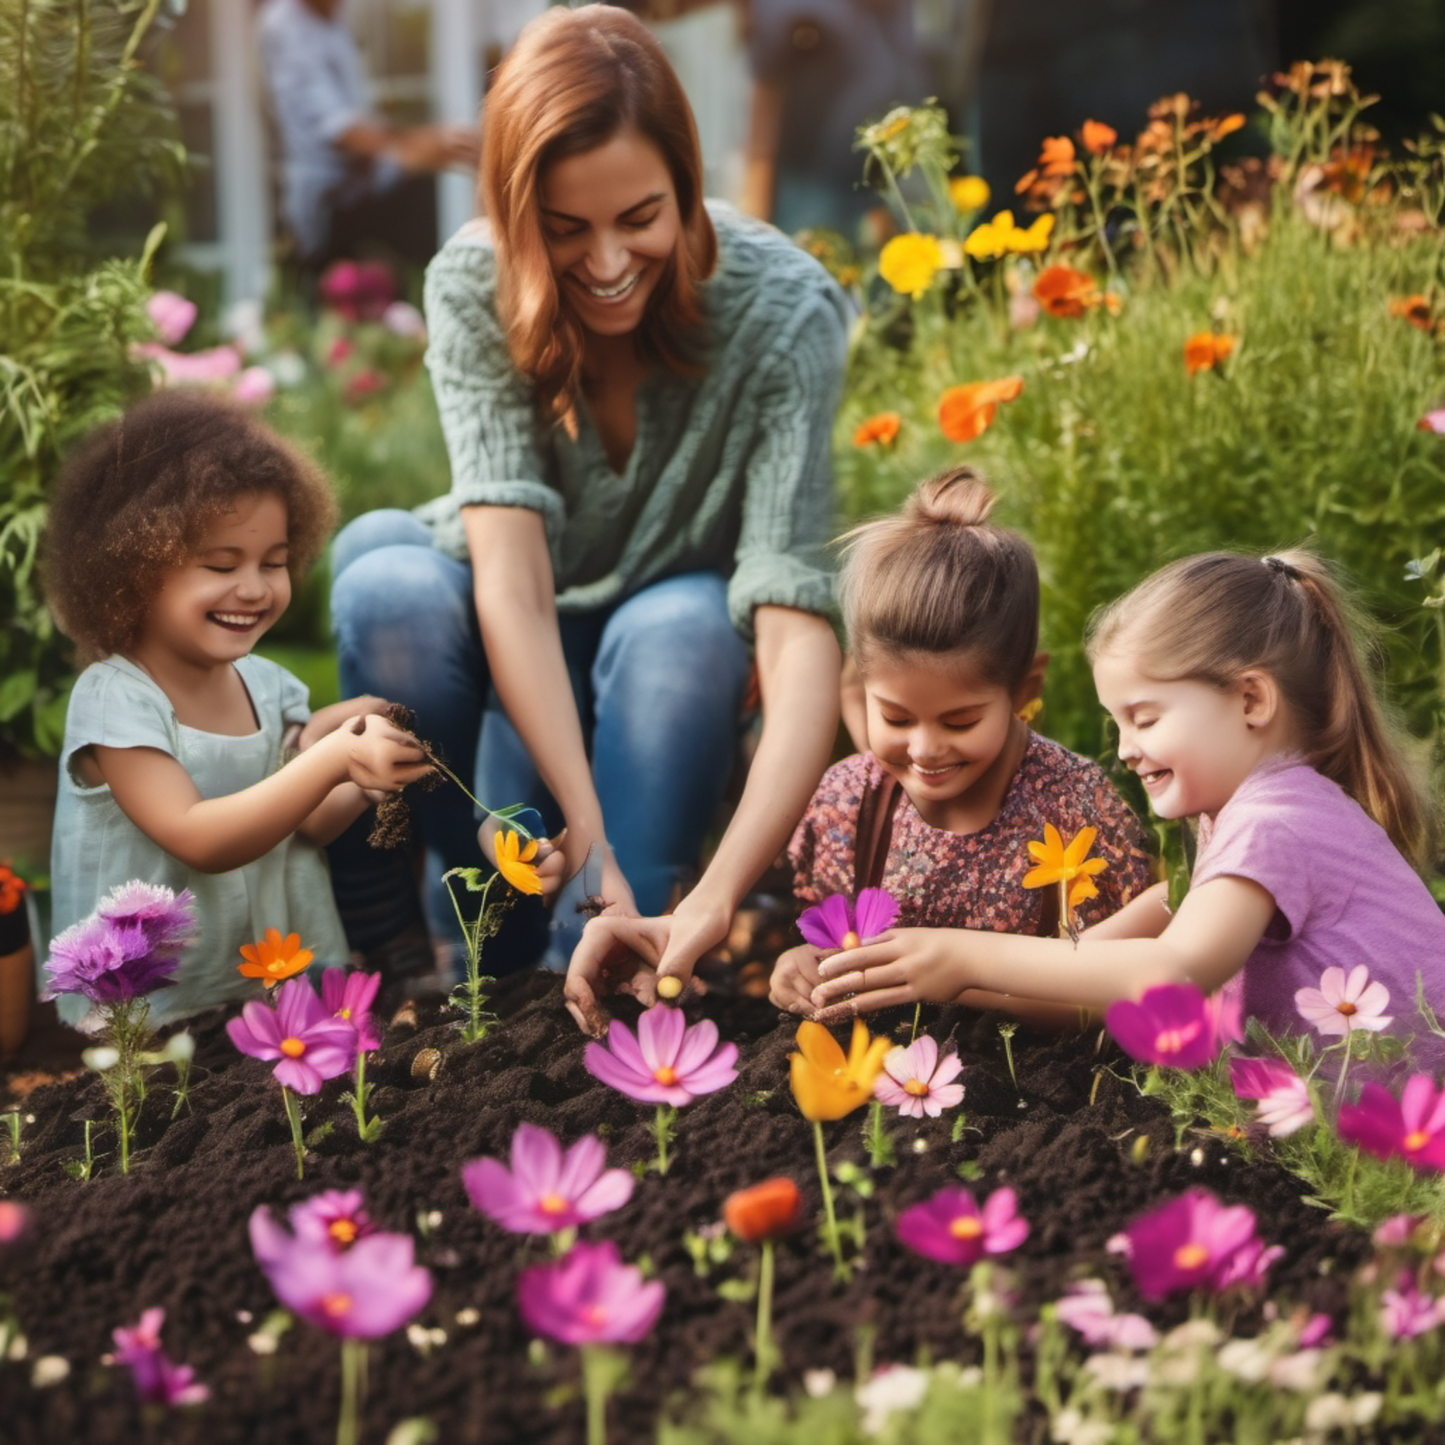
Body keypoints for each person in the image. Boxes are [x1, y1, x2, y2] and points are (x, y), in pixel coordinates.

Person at [327, 5, 849, 1030]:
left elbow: (795, 632)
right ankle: (471, 920)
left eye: (639, 217)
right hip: (516, 619)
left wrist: (714, 888)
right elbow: (511, 584)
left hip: (671, 641)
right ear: (519, 217)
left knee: (680, 629)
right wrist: (583, 827)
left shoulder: (786, 311)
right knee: (381, 579)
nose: (607, 261)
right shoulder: (474, 282)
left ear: (686, 186)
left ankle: (603, 938)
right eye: (566, 230)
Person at [809, 549, 1445, 1066]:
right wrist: (928, 975)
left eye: (1144, 719)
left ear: (1251, 699)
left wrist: (959, 957)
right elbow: (1084, 982)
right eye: (1118, 724)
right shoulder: (1244, 819)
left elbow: (1169, 973)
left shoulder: (1273, 822)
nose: (1126, 751)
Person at [42, 390, 429, 1026]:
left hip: (274, 990)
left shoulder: (269, 685)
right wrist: (329, 757)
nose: (254, 588)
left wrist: (358, 770)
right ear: (134, 567)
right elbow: (197, 835)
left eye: (273, 563)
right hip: (156, 1014)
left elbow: (305, 823)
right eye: (222, 564)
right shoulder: (117, 699)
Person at [768, 469, 1152, 1018]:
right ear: (861, 684)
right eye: (896, 718)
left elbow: (1117, 994)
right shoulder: (850, 802)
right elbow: (827, 941)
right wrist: (802, 965)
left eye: (960, 722)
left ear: (1025, 688)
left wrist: (955, 984)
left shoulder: (1076, 808)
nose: (925, 749)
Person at [257, 0, 480, 270]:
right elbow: (336, 128)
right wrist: (414, 146)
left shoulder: (335, 18)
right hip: (323, 204)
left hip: (360, 189)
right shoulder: (283, 24)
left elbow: (355, 113)